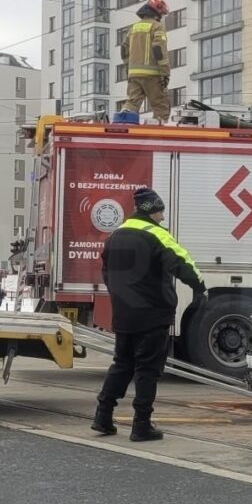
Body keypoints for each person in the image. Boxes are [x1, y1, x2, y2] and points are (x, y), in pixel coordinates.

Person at [92, 187, 205, 442]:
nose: (162, 217)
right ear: (151, 210)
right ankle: (141, 424)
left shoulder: (115, 236)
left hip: (124, 313)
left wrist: (120, 298)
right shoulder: (156, 234)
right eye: (160, 211)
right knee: (148, 369)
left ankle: (103, 415)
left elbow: (107, 273)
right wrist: (200, 288)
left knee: (122, 364)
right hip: (153, 313)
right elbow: (182, 262)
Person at [119, 0, 172, 124]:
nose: (162, 17)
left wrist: (129, 69)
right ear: (157, 12)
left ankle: (123, 126)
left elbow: (124, 49)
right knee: (161, 107)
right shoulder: (157, 27)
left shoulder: (133, 28)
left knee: (131, 104)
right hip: (152, 75)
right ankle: (158, 134)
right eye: (162, 14)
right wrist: (165, 73)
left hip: (134, 74)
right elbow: (159, 49)